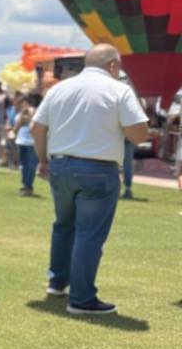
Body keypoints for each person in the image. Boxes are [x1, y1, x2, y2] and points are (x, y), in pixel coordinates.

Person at [31, 44, 148, 315]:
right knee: (89, 234)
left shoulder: (59, 88)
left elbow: (37, 127)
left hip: (60, 164)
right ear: (113, 66)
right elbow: (139, 135)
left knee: (64, 225)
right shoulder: (119, 90)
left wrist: (43, 159)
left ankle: (57, 282)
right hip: (97, 168)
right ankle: (81, 298)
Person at [14, 91, 42, 196]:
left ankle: (28, 187)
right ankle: (25, 186)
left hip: (32, 141)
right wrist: (23, 117)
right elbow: (16, 126)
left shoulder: (38, 111)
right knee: (24, 165)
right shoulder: (24, 111)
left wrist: (28, 116)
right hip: (22, 140)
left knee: (30, 165)